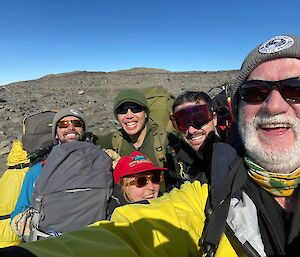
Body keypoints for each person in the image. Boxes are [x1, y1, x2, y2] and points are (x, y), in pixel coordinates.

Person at [3, 34, 300, 257]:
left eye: (295, 89)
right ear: (236, 111)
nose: (274, 106)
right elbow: (130, 234)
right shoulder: (209, 194)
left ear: (218, 116)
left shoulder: (179, 150)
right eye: (256, 92)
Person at [9, 107, 109, 240]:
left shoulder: (101, 161)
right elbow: (20, 210)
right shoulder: (38, 170)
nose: (71, 128)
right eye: (63, 124)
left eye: (77, 123)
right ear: (55, 134)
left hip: (94, 241)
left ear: (83, 131)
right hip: (52, 243)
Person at [96, 88, 168, 168]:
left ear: (146, 113)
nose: (129, 116)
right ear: (117, 117)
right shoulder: (115, 139)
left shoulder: (164, 140)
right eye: (122, 110)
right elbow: (89, 141)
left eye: (136, 109)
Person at [166, 91, 220, 188]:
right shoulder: (176, 161)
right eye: (183, 122)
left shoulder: (234, 155)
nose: (191, 130)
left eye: (199, 119)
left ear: (214, 119)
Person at [108, 151, 166, 216]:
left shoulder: (168, 204)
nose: (151, 188)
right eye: (141, 181)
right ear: (122, 187)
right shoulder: (114, 220)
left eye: (155, 178)